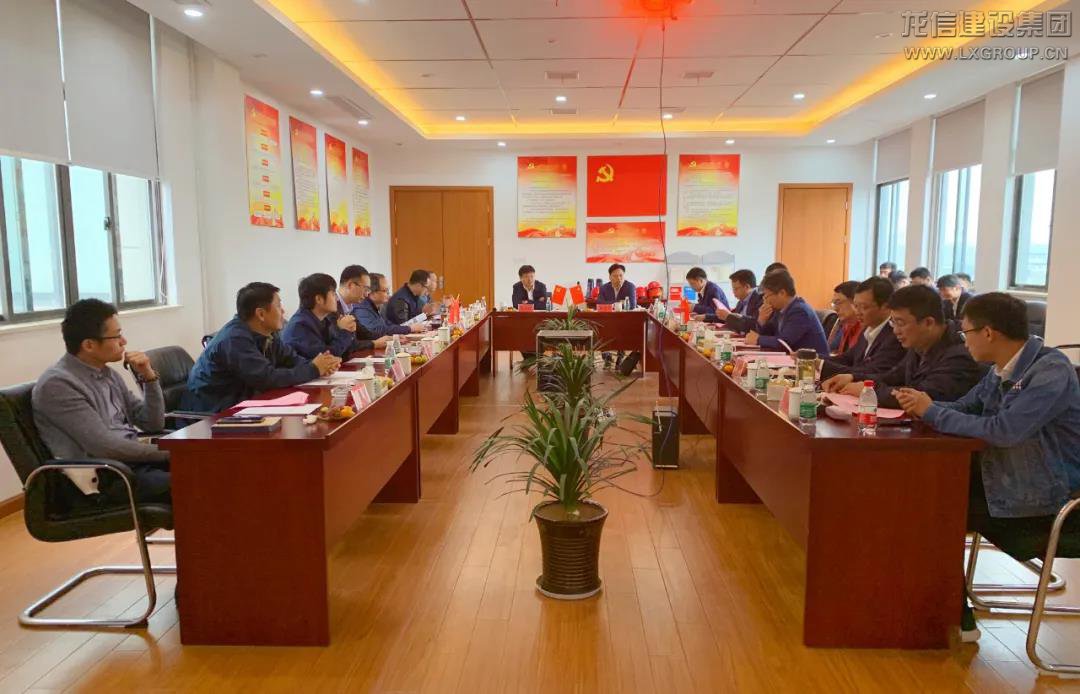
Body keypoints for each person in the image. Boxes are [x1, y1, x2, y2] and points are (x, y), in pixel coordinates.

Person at [892, 293, 1080, 642]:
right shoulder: (1001, 368)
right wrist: (922, 405)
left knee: (936, 505)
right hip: (1009, 480)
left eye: (966, 333)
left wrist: (933, 412)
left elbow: (1004, 431)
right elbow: (966, 407)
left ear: (988, 333)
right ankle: (945, 612)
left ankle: (951, 617)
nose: (964, 341)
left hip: (1046, 498)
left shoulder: (1049, 372)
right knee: (926, 493)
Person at [32, 299, 171, 503]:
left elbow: (153, 423)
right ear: (89, 345)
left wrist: (148, 377)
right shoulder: (59, 385)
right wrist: (170, 452)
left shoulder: (108, 374)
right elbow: (105, 447)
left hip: (130, 464)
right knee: (198, 478)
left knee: (210, 465)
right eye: (117, 336)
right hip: (107, 476)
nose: (124, 341)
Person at [183, 282, 340, 413]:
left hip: (244, 406)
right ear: (261, 314)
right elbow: (267, 378)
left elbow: (291, 359)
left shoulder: (268, 333)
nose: (283, 311)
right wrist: (314, 369)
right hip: (213, 414)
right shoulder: (235, 339)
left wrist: (322, 365)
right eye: (278, 306)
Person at [822, 285, 985, 409]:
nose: (895, 331)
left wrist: (868, 390)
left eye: (900, 323)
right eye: (893, 322)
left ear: (928, 323)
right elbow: (892, 376)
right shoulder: (919, 343)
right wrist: (853, 377)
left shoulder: (959, 354)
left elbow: (919, 396)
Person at [282, 273, 387, 359]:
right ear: (319, 299)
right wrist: (345, 331)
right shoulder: (300, 325)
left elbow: (344, 349)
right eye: (333, 294)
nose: (336, 298)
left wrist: (345, 331)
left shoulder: (322, 320)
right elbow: (329, 355)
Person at [820, 277, 906, 380]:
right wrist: (813, 359)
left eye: (864, 307)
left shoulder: (895, 335)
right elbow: (847, 358)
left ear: (885, 306)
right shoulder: (868, 329)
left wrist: (820, 365)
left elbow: (870, 371)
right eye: (856, 306)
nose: (858, 312)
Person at [745, 270, 830, 356]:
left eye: (767, 296)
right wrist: (761, 321)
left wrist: (758, 339)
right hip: (792, 359)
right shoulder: (781, 309)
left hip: (812, 362)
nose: (765, 301)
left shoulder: (799, 311)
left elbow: (784, 343)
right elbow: (770, 334)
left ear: (782, 293)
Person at [356, 273, 427, 338]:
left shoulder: (375, 306)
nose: (389, 294)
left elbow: (387, 324)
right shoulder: (361, 308)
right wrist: (409, 328)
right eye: (385, 291)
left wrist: (400, 333)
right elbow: (374, 330)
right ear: (372, 293)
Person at [598, 264, 637, 369]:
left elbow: (632, 305)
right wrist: (618, 303)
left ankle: (620, 358)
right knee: (600, 329)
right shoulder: (604, 288)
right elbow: (600, 303)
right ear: (610, 277)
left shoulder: (630, 286)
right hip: (608, 320)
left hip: (624, 320)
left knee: (622, 330)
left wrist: (610, 304)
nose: (618, 278)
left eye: (621, 275)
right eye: (615, 276)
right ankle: (607, 358)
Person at [828, 281, 862, 355]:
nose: (835, 309)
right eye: (834, 303)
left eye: (838, 302)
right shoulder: (847, 325)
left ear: (854, 302)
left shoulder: (866, 329)